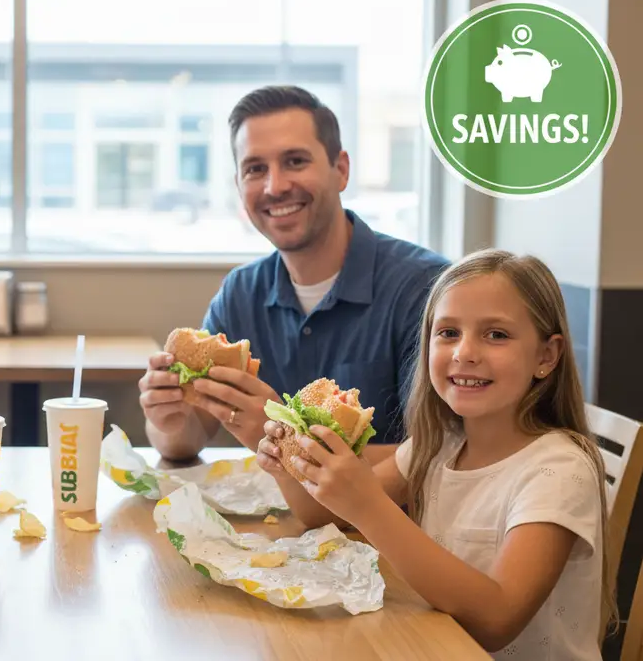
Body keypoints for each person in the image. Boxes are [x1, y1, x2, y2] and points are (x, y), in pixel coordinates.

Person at [256, 249, 615, 658]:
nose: (464, 352)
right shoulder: (440, 444)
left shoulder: (559, 471)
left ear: (546, 356)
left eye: (496, 334)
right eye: (448, 333)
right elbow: (327, 515)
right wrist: (290, 466)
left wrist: (370, 505)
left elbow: (497, 620)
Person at [139, 85, 449, 461]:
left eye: (295, 161)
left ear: (341, 170)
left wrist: (283, 439)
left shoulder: (427, 290)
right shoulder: (240, 294)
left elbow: (439, 457)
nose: (275, 186)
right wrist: (167, 420)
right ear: (238, 185)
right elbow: (186, 440)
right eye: (255, 169)